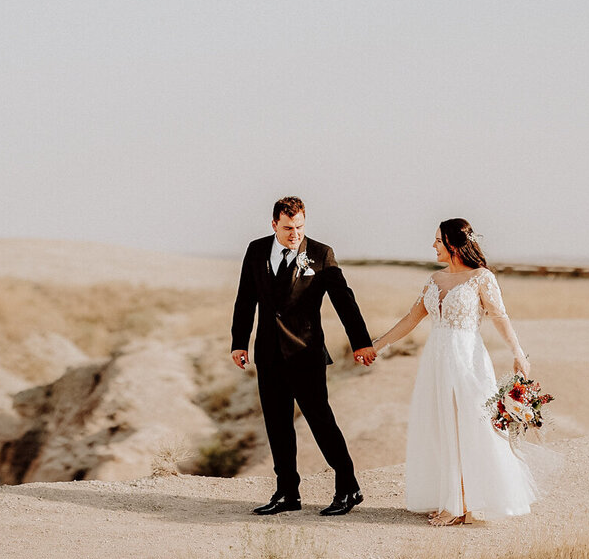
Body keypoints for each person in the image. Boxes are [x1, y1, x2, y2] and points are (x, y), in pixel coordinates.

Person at [369, 218, 543, 525]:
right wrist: (377, 345)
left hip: (467, 360)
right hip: (436, 362)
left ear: (452, 244)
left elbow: (500, 317)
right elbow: (411, 319)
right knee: (442, 427)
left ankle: (463, 504)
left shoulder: (481, 278)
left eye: (438, 241)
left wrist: (518, 353)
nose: (433, 246)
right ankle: (454, 500)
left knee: (471, 426)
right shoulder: (434, 280)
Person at [231, 196, 377, 516]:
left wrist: (361, 342)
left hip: (306, 353)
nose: (294, 234)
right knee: (277, 425)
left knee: (320, 421)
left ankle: (348, 487)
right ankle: (287, 493)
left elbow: (344, 300)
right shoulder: (256, 251)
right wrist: (238, 342)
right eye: (287, 228)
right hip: (268, 355)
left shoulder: (321, 254)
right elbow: (245, 300)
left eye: (299, 227)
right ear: (274, 225)